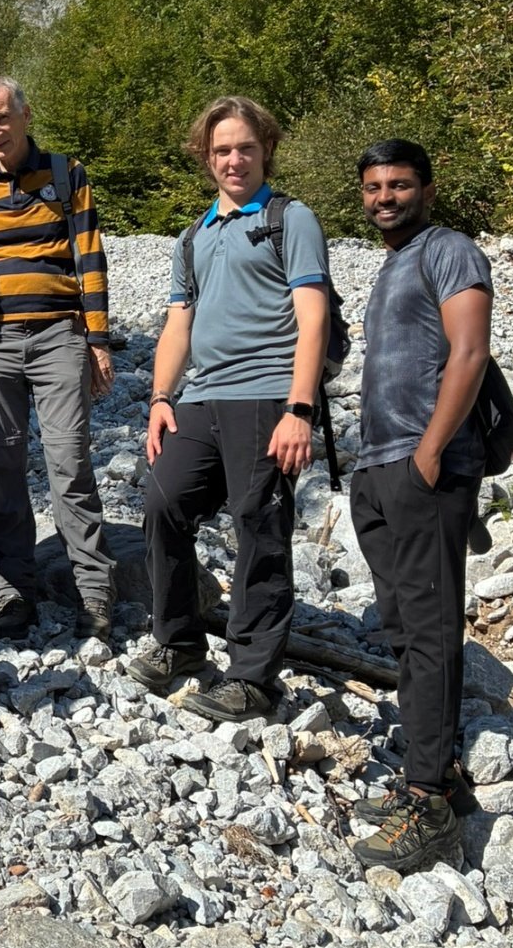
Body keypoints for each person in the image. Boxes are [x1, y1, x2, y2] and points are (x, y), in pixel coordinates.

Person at [129, 96, 330, 722]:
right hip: (201, 396)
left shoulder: (289, 219)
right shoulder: (193, 235)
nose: (234, 159)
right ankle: (181, 642)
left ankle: (253, 677)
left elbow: (313, 314)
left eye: (245, 147)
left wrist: (301, 408)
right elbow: (176, 326)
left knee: (258, 523)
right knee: (164, 503)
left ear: (264, 148)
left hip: (267, 392)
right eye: (222, 150)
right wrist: (161, 398)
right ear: (205, 157)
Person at [347, 139, 492, 873]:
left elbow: (468, 353)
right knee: (404, 627)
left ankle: (428, 804)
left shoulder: (449, 250)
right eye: (373, 187)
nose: (383, 197)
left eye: (398, 185)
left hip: (422, 464)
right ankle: (438, 775)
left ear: (426, 189)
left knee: (430, 629)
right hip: (378, 466)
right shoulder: (390, 265)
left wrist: (431, 450)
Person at [0, 76, 115, 640]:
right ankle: (13, 591)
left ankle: (94, 592)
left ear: (25, 115)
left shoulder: (67, 175)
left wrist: (97, 340)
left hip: (57, 336)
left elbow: (89, 257)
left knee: (70, 465)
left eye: (2, 119)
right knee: (1, 468)